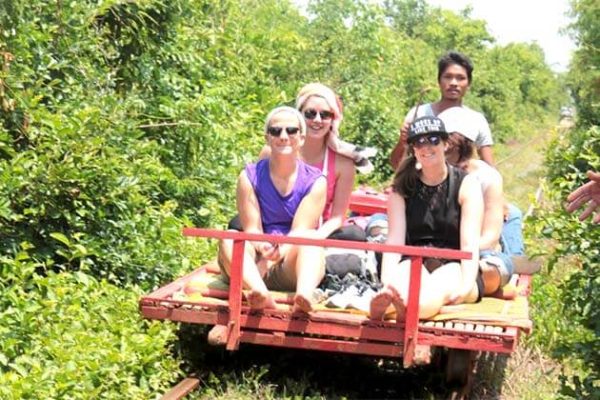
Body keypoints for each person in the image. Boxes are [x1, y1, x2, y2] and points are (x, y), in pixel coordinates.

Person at [370, 116, 484, 320]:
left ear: (445, 143)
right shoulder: (402, 188)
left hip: (454, 263)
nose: (426, 147)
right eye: (419, 142)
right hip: (413, 259)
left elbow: (469, 244)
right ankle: (391, 303)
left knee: (434, 289)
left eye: (433, 140)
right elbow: (395, 242)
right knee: (400, 283)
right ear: (413, 149)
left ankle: (404, 310)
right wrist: (388, 281)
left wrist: (466, 285)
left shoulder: (466, 185)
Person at [218, 106, 327, 313]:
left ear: (301, 138)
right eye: (276, 131)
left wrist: (279, 252)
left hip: (288, 261)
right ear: (268, 138)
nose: (284, 137)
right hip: (253, 260)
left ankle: (303, 295)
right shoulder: (249, 176)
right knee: (231, 236)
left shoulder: (315, 181)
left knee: (311, 239)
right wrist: (264, 249)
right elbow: (252, 228)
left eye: (291, 131)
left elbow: (300, 232)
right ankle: (260, 293)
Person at [258, 83, 369, 240]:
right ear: (299, 116)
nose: (317, 120)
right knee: (237, 224)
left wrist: (315, 239)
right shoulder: (271, 151)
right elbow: (257, 199)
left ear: (333, 119)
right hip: (273, 226)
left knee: (354, 235)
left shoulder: (343, 164)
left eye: (325, 115)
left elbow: (337, 217)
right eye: (310, 113)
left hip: (318, 232)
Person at [438, 107, 511, 294]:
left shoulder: (488, 177)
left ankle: (472, 281)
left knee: (494, 267)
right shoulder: (425, 172)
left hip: (475, 249)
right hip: (432, 246)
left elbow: (490, 236)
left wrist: (456, 251)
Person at [390, 51, 495, 169]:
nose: (454, 83)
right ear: (439, 81)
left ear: (468, 83)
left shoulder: (476, 120)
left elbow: (489, 169)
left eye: (460, 78)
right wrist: (402, 141)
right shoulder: (419, 114)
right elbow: (396, 165)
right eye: (448, 77)